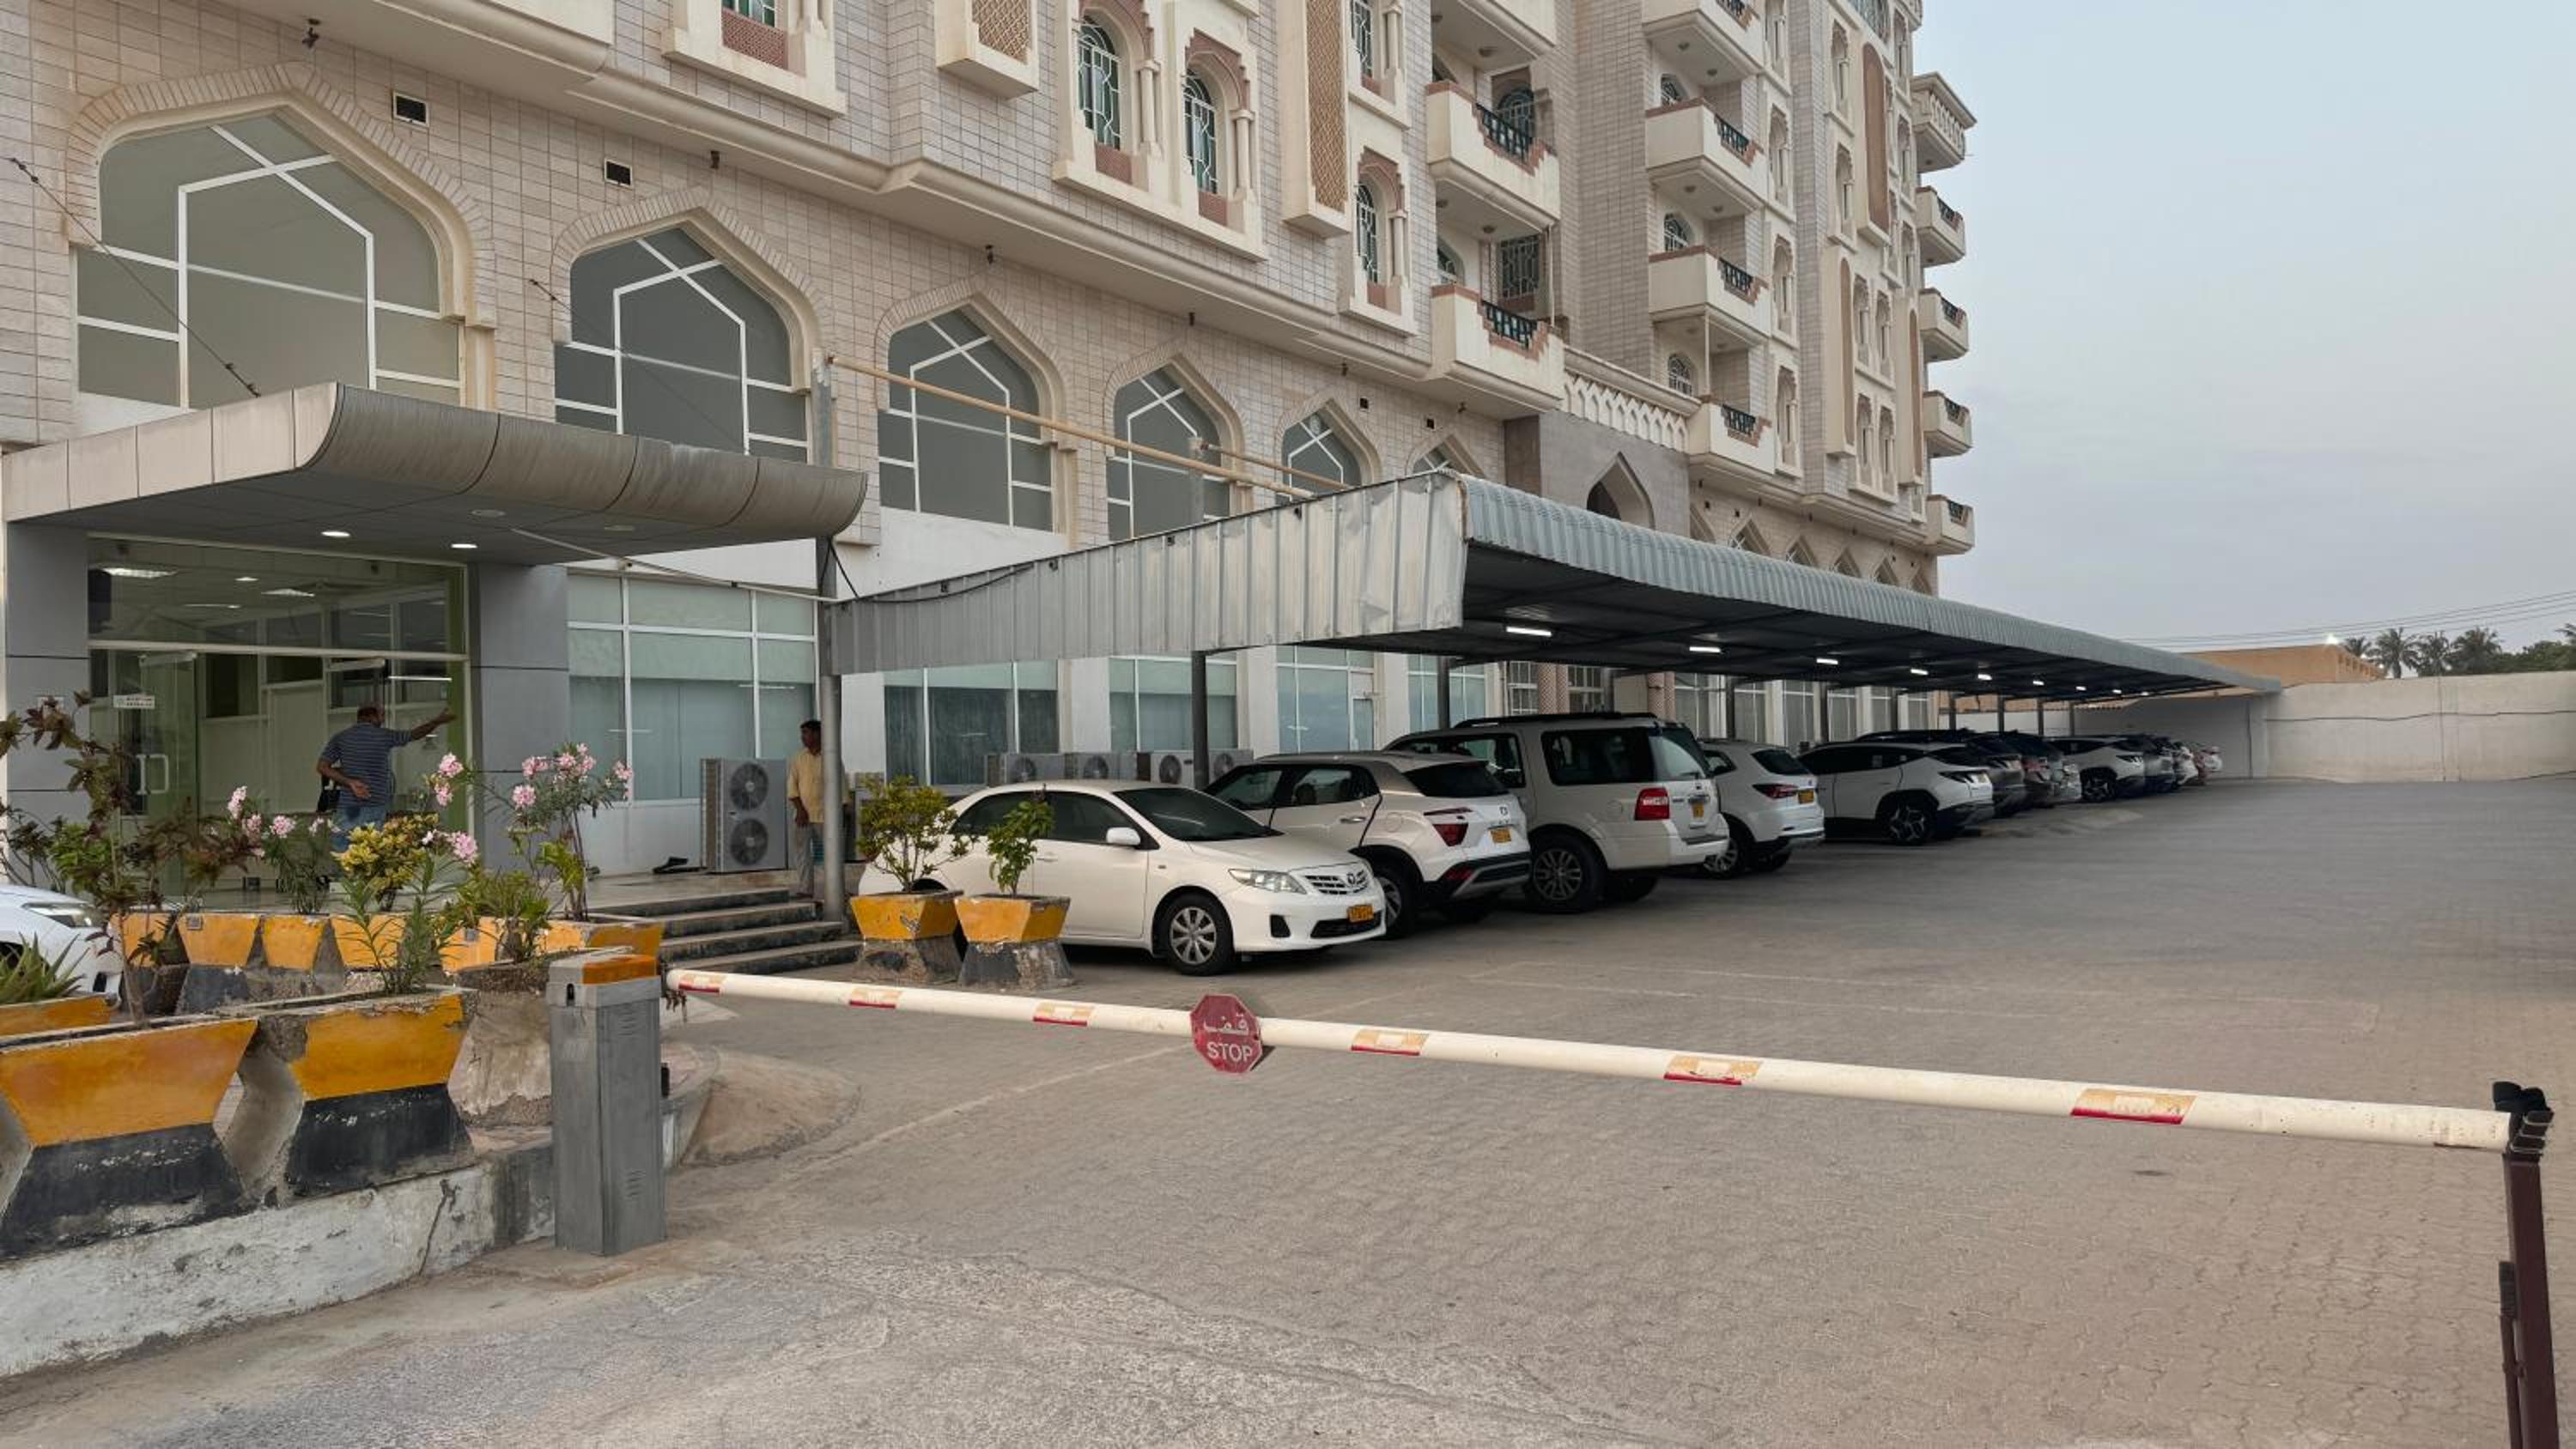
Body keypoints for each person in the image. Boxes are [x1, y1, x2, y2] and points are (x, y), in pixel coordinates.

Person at [318, 701, 454, 841]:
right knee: (373, 850)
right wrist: (436, 722)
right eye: (382, 715)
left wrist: (349, 782)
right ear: (373, 716)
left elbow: (322, 767)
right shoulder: (384, 735)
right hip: (375, 807)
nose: (383, 720)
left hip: (348, 808)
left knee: (344, 851)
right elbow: (414, 734)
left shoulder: (340, 737)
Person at [787, 718, 829, 893]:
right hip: (802, 816)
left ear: (817, 734)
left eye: (806, 733)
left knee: (832, 855)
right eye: (802, 733)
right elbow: (792, 787)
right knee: (802, 853)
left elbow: (840, 789)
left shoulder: (830, 757)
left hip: (826, 816)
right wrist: (800, 810)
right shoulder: (798, 758)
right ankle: (805, 889)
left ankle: (836, 890)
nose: (802, 737)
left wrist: (840, 816)